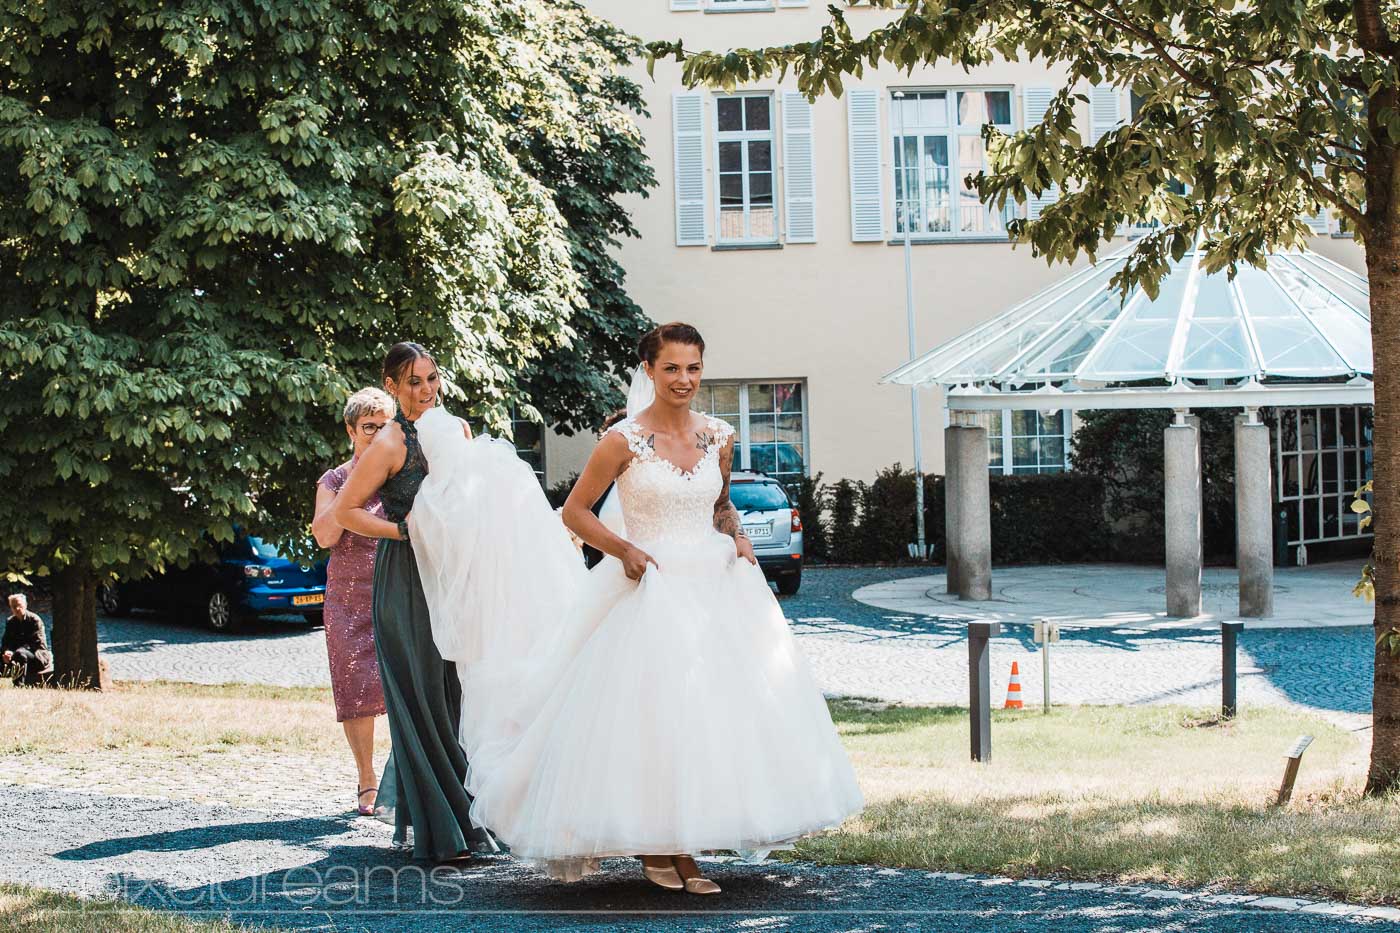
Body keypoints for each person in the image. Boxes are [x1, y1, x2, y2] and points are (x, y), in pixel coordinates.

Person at [407, 323, 863, 893]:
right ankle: (657, 845)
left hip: (714, 591)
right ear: (649, 371)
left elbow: (720, 505)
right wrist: (623, 550)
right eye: (672, 368)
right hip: (648, 586)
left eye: (693, 368)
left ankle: (685, 845)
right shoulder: (623, 440)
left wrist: (738, 535)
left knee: (707, 716)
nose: (684, 380)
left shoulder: (718, 437)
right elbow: (575, 512)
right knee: (653, 715)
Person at [332, 343, 493, 864]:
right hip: (406, 580)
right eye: (414, 382)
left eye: (432, 378)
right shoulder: (390, 443)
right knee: (423, 696)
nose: (426, 391)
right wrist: (403, 531)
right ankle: (442, 826)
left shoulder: (457, 431)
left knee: (456, 693)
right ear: (393, 387)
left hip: (454, 573)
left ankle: (471, 816)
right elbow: (346, 511)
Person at [312, 387, 394, 816]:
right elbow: (325, 534)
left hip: (397, 591)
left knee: (405, 684)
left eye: (385, 427)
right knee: (355, 686)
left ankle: (407, 780)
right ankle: (366, 778)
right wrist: (356, 488)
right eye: (369, 428)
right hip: (347, 595)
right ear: (350, 431)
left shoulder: (402, 474)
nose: (378, 435)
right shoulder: (335, 480)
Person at [3, 594, 53, 687]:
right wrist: (7, 651)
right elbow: (6, 641)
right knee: (11, 654)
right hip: (18, 654)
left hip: (38, 655)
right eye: (14, 607)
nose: (17, 608)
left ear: (25, 605)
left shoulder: (35, 620)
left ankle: (19, 684)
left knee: (20, 653)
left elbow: (36, 643)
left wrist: (13, 652)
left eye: (19, 605)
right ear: (11, 608)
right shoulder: (10, 621)